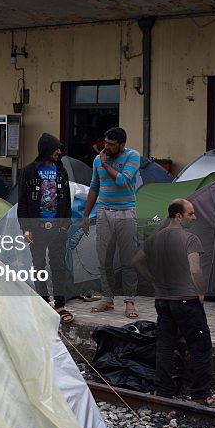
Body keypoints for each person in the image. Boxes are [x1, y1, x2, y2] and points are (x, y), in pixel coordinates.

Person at [131, 199, 215, 407]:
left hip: (163, 300)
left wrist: (153, 281)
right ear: (178, 216)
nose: (194, 217)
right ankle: (202, 394)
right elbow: (195, 269)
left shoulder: (155, 238)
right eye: (191, 214)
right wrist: (200, 291)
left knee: (165, 346)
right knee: (201, 346)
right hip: (185, 300)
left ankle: (164, 391)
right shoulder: (190, 239)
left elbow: (135, 262)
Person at [82, 127, 142, 318]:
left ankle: (130, 301)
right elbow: (94, 187)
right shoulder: (97, 160)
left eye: (111, 144)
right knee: (104, 259)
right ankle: (107, 299)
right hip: (104, 211)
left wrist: (107, 165)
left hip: (126, 211)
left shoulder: (133, 156)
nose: (106, 147)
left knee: (128, 259)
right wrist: (85, 215)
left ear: (122, 145)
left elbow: (123, 181)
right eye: (105, 143)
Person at [17, 133, 75, 323]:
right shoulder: (29, 171)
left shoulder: (61, 171)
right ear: (47, 150)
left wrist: (65, 225)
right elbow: (23, 202)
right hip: (36, 228)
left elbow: (66, 200)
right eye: (56, 148)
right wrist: (25, 228)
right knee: (39, 265)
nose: (60, 152)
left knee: (59, 265)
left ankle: (60, 305)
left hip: (58, 228)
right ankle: (43, 303)